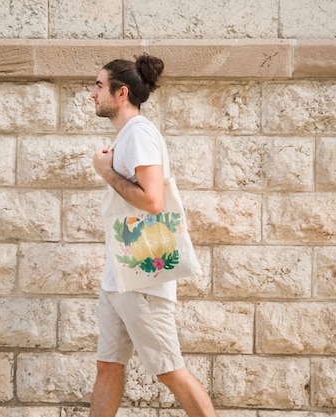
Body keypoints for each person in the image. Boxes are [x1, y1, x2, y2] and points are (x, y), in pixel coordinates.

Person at [90, 53, 218, 417]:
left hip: (143, 281)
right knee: (108, 366)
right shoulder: (128, 136)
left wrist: (105, 172)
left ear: (121, 93)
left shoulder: (140, 134)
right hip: (120, 277)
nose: (92, 93)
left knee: (169, 370)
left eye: (99, 86)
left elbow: (153, 200)